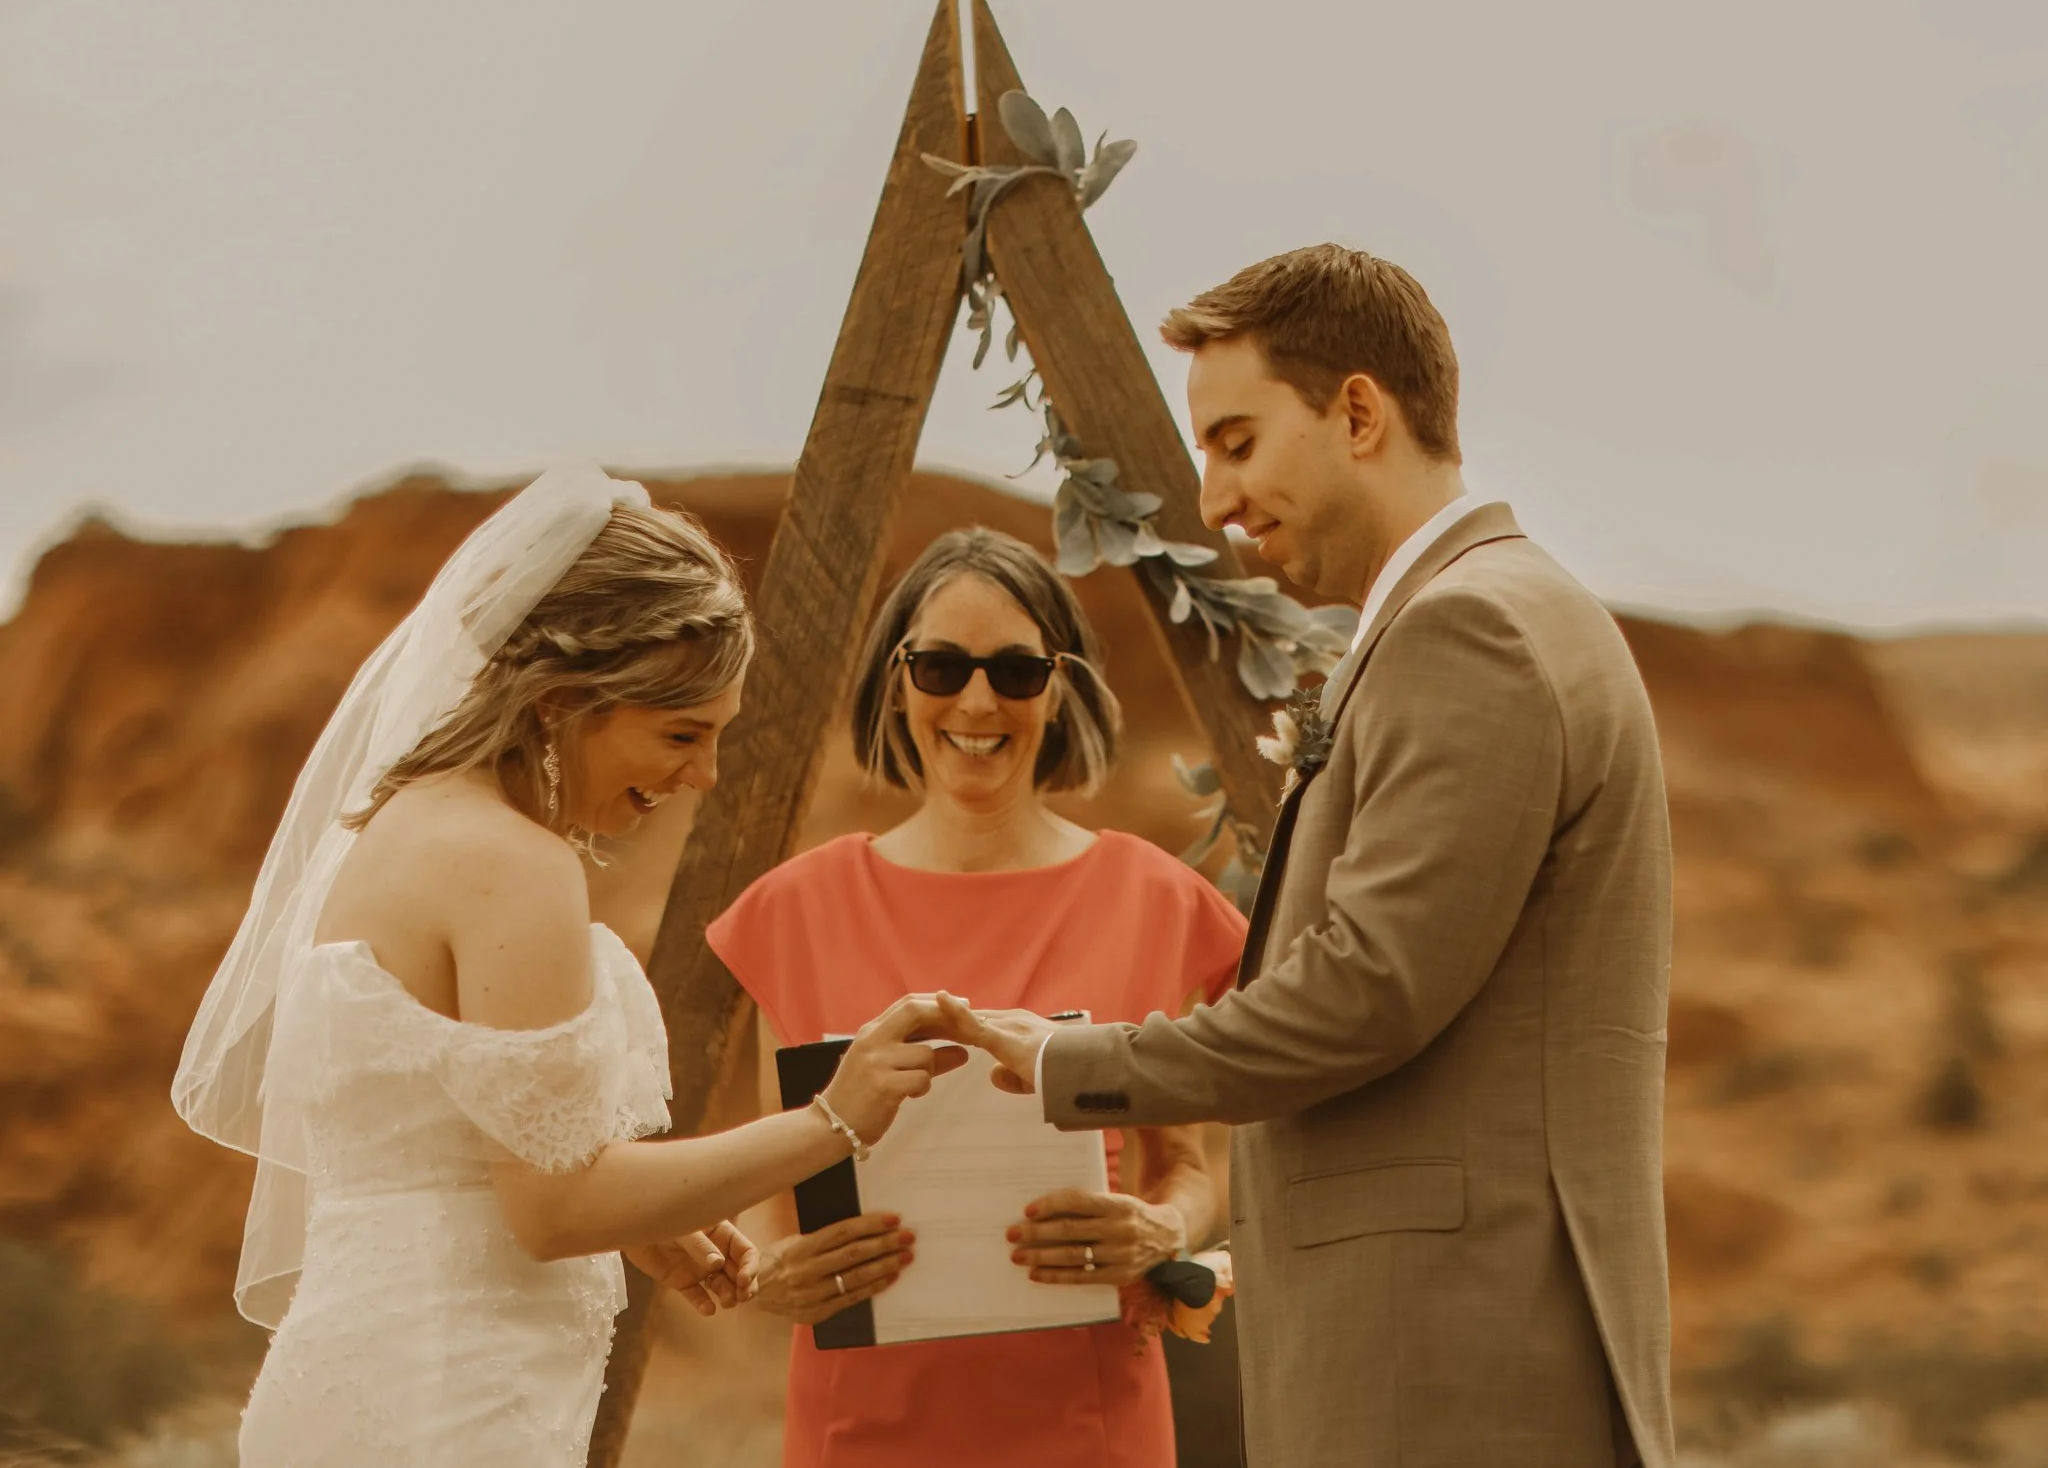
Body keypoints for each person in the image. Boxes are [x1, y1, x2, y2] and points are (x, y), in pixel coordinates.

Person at [944, 245, 1677, 1467]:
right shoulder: (1492, 612)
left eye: (1235, 443)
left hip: (1448, 1355)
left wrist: (1076, 1061)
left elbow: (1365, 992)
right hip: (1447, 1339)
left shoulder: (1471, 631)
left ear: (1355, 411)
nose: (1217, 503)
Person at [171, 466, 960, 1467]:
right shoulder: (514, 865)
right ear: (558, 701)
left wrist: (646, 1215)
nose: (702, 776)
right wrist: (831, 1120)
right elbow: (554, 1206)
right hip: (448, 1405)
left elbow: (452, 1150)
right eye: (680, 733)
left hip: (361, 1379)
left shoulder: (397, 824)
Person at [700, 527, 1247, 1468]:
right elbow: (772, 1194)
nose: (977, 700)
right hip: (854, 1429)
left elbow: (1186, 1168)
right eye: (942, 666)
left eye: (1017, 670)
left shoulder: (1154, 897)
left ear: (1061, 684)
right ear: (896, 679)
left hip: (1094, 1423)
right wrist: (770, 1275)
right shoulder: (796, 908)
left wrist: (1167, 1227)